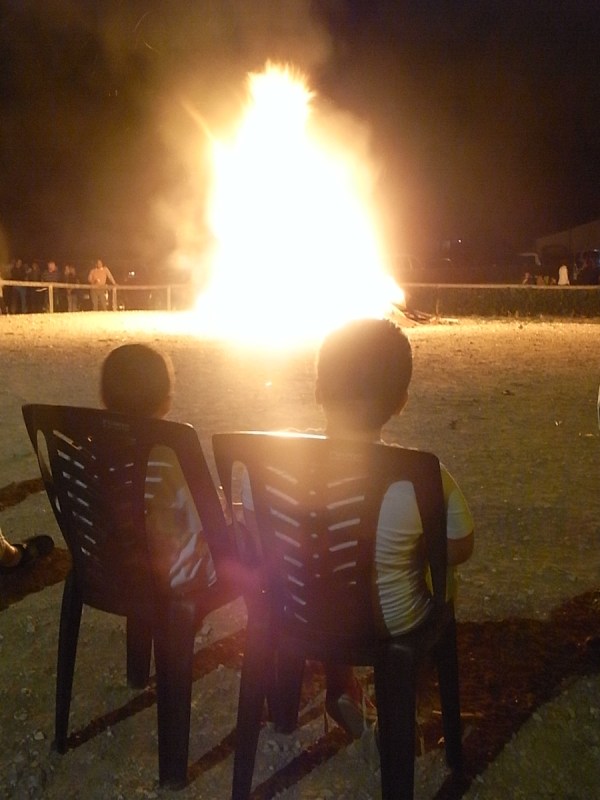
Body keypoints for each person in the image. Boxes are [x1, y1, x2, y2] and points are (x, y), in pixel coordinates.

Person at [240, 317, 474, 738]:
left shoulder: (266, 466)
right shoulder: (423, 477)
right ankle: (395, 706)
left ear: (318, 390)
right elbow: (459, 546)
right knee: (412, 577)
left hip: (293, 608)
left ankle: (337, 685)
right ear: (401, 402)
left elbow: (257, 535)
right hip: (387, 624)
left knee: (326, 565)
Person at [100, 343, 215, 591]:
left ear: (104, 398)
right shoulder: (167, 458)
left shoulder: (86, 451)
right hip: (169, 580)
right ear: (166, 402)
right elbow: (201, 523)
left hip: (104, 574)